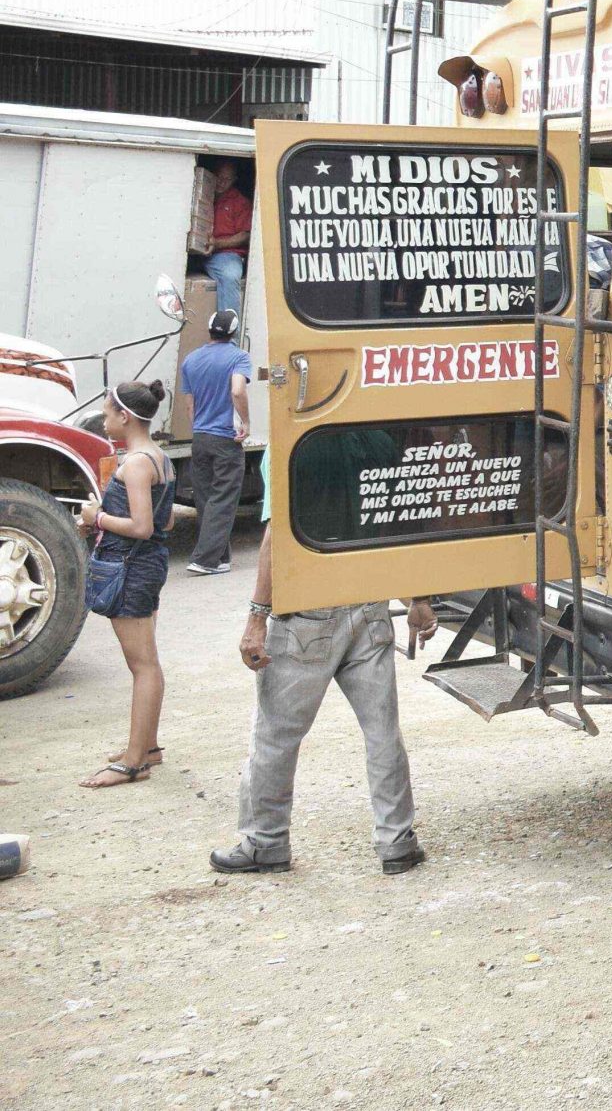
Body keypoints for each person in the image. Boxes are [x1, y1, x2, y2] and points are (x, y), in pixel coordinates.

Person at [212, 541, 435, 875]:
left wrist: (256, 617)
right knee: (382, 731)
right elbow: (392, 525)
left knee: (276, 735)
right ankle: (396, 842)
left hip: (308, 611)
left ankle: (265, 842)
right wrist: (417, 597)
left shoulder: (293, 483)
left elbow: (275, 537)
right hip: (369, 606)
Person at [76, 381, 175, 788]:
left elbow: (142, 525)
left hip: (131, 567)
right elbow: (166, 522)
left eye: (106, 413)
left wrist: (95, 517)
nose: (103, 419)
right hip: (148, 565)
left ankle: (134, 762)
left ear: (125, 417)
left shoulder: (135, 463)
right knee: (147, 659)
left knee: (142, 665)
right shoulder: (161, 458)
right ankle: (147, 746)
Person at [179, 307, 253, 575]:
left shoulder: (191, 360)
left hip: (200, 437)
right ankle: (205, 560)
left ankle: (221, 558)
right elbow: (237, 390)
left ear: (209, 330)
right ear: (233, 332)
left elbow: (190, 405)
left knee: (206, 499)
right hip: (226, 439)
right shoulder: (239, 357)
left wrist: (199, 428)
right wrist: (245, 422)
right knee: (223, 500)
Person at [205, 161, 253, 318]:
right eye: (219, 177)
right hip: (196, 252)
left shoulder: (240, 202)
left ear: (234, 180)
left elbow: (245, 235)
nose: (221, 182)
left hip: (225, 254)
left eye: (227, 179)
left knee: (230, 275)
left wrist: (217, 243)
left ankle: (228, 336)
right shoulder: (201, 193)